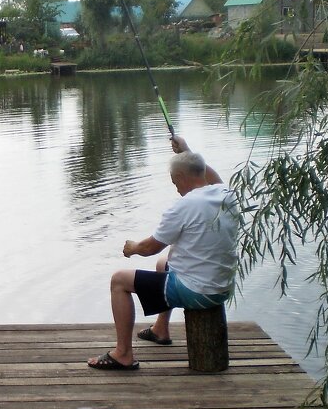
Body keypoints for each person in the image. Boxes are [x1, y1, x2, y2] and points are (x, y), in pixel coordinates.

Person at [87, 136, 239, 371]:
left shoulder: (184, 206)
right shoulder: (227, 194)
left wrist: (132, 248)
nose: (176, 188)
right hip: (223, 287)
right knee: (164, 262)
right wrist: (187, 151)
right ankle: (160, 330)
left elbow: (150, 247)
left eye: (174, 182)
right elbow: (209, 175)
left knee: (119, 280)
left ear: (179, 178)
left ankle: (123, 354)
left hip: (198, 292)